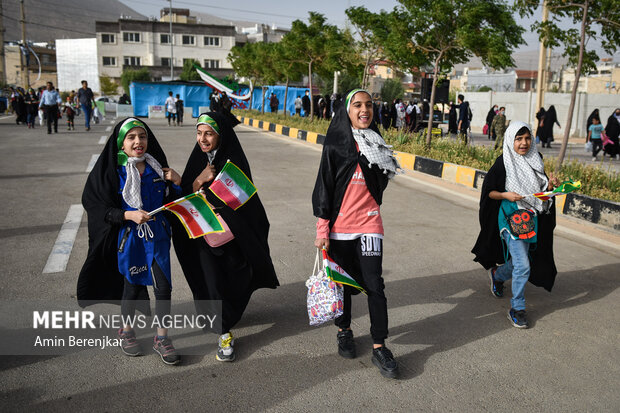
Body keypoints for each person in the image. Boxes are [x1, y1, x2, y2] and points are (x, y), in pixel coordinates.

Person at [171, 113, 279, 362]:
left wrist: (216, 196)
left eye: (208, 133)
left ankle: (228, 315)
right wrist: (199, 180)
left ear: (221, 135)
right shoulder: (197, 159)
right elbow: (187, 190)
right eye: (199, 133)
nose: (202, 139)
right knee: (212, 281)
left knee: (236, 279)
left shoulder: (234, 160)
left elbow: (245, 201)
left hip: (232, 236)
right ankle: (224, 332)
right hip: (205, 237)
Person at [77, 118, 182, 365]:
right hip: (131, 240)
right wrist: (127, 214)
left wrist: (177, 182)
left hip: (157, 238)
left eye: (142, 136)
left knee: (164, 287)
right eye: (131, 137)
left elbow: (172, 202)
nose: (138, 142)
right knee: (132, 288)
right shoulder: (114, 173)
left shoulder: (158, 170)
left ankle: (162, 339)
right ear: (121, 144)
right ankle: (126, 330)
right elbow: (98, 206)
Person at [312, 89, 400, 379]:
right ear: (347, 110)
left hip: (370, 225)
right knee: (341, 284)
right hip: (338, 229)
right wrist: (322, 228)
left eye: (369, 105)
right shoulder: (336, 144)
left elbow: (380, 185)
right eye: (358, 105)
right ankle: (344, 329)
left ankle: (379, 345)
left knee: (375, 284)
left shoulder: (378, 143)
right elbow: (324, 186)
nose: (365, 110)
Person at [472, 121, 558, 329]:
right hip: (510, 217)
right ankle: (517, 308)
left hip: (531, 218)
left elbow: (541, 194)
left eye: (527, 138)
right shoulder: (503, 162)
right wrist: (505, 195)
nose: (524, 143)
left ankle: (497, 275)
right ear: (511, 140)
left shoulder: (536, 160)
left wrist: (550, 187)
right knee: (524, 264)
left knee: (522, 261)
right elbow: (489, 191)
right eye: (518, 139)